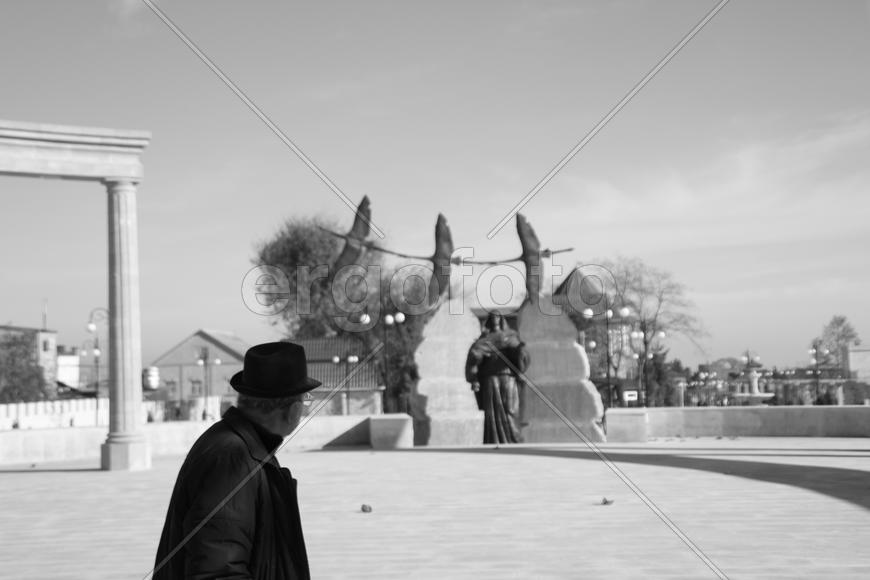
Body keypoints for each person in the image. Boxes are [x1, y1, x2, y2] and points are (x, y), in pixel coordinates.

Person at [153, 342, 320, 580]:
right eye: (305, 401)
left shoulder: (240, 446)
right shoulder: (233, 459)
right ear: (293, 409)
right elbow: (217, 571)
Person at [465, 312, 529, 444]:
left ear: (501, 319)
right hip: (490, 378)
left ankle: (514, 439)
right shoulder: (484, 339)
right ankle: (493, 439)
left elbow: (520, 353)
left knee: (511, 409)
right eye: (493, 317)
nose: (495, 319)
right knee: (492, 412)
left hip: (508, 377)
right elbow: (475, 357)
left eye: (497, 317)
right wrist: (476, 358)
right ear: (489, 320)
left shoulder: (510, 336)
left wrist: (520, 351)